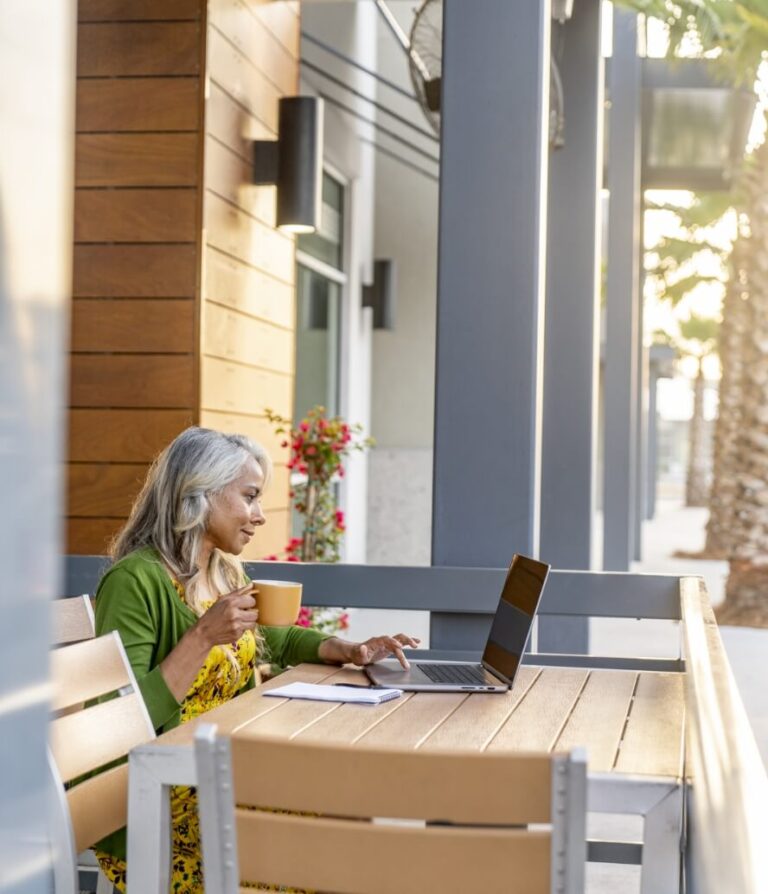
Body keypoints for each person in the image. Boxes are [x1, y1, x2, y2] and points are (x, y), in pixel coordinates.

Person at [92, 426, 420, 892]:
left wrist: (345, 649)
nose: (260, 516)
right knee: (320, 840)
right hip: (163, 806)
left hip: (224, 776)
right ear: (199, 494)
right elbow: (116, 722)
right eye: (249, 497)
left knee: (347, 813)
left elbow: (273, 639)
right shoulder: (135, 582)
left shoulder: (222, 570)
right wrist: (201, 637)